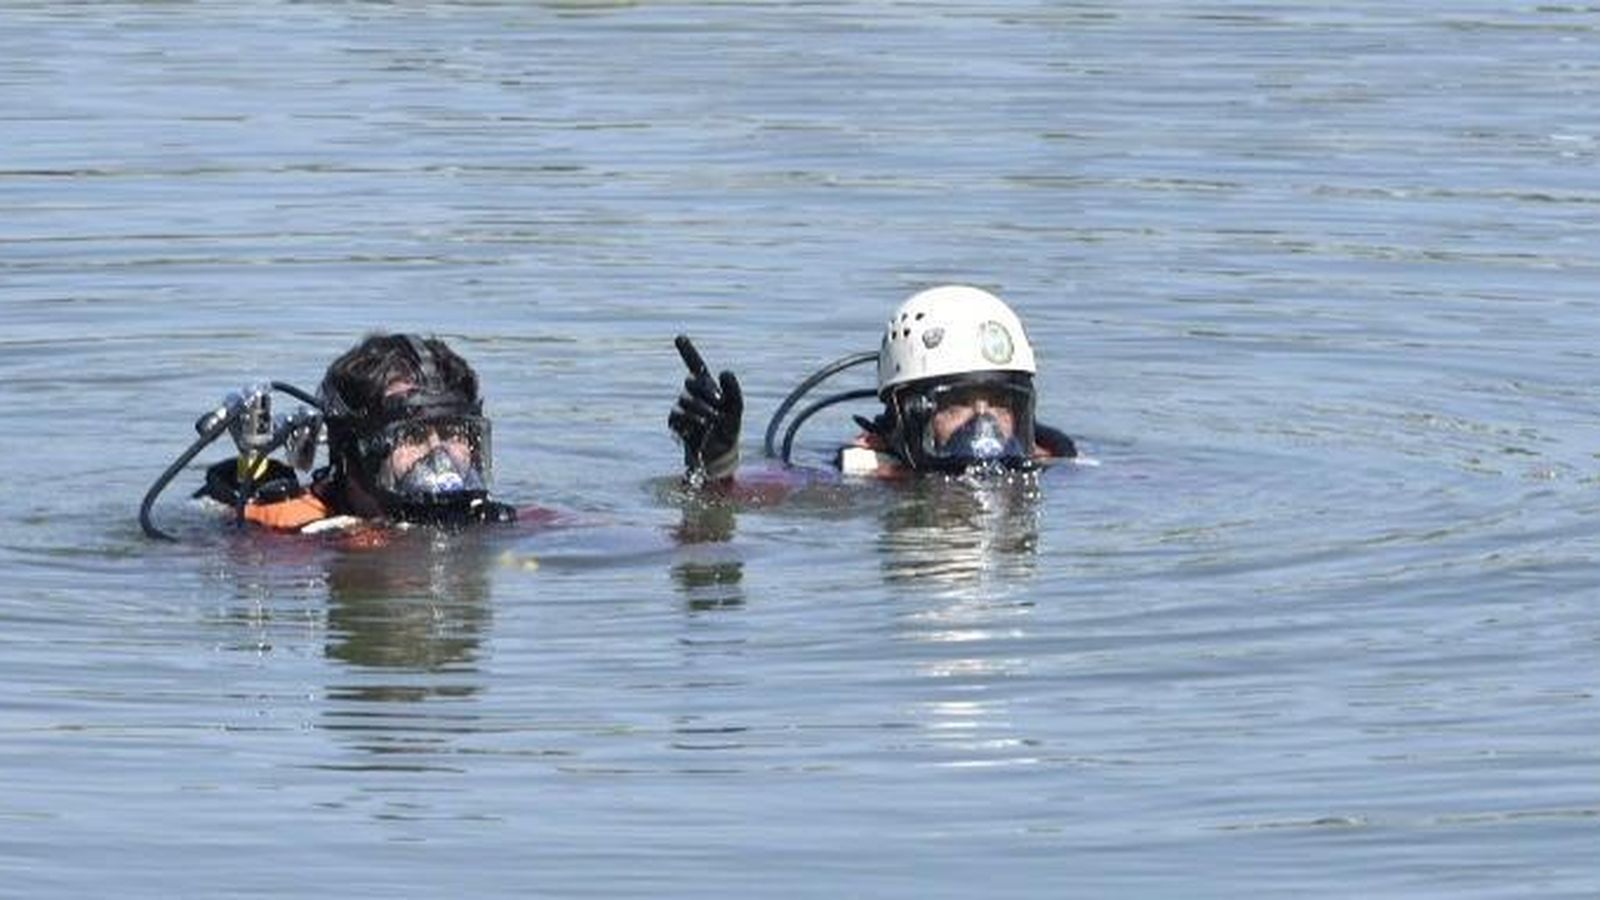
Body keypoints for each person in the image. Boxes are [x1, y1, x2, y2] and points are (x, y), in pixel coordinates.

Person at [669, 284, 1076, 484]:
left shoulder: (1055, 471)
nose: (984, 424)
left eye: (1002, 404)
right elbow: (725, 518)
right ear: (901, 411)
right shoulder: (847, 487)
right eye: (957, 405)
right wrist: (715, 466)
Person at [144, 333, 519, 538]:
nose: (440, 456)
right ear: (351, 449)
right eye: (413, 437)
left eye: (455, 433)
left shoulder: (490, 522)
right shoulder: (285, 537)